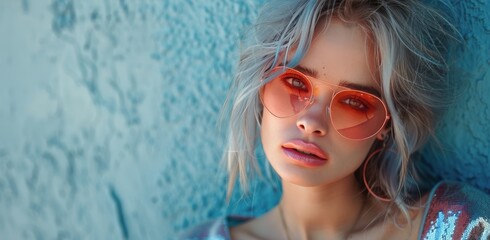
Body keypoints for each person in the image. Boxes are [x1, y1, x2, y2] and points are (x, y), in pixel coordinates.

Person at [183, 0, 490, 239]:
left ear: (386, 126)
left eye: (355, 102)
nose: (312, 121)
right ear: (261, 85)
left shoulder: (459, 226)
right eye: (294, 83)